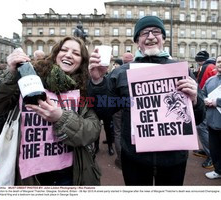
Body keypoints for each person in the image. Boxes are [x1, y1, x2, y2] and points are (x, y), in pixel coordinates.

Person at [87, 16, 205, 185]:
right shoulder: (121, 73)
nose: (150, 36)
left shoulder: (182, 70)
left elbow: (199, 118)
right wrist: (97, 82)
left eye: (156, 32)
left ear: (163, 39)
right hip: (135, 160)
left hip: (173, 159)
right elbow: (103, 111)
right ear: (137, 41)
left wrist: (195, 101)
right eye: (144, 33)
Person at [0, 36, 101, 185]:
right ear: (55, 54)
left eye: (76, 53)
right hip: (28, 177)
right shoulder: (27, 78)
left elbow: (92, 130)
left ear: (81, 62)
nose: (68, 55)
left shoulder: (83, 89)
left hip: (69, 175)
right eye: (64, 50)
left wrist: (61, 118)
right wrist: (9, 74)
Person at [193, 51, 217, 169]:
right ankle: (208, 151)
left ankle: (212, 155)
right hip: (212, 102)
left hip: (209, 102)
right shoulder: (212, 66)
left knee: (202, 127)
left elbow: (200, 85)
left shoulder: (206, 67)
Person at [202, 55, 221, 179]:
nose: (220, 64)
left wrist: (217, 102)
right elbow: (202, 94)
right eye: (219, 62)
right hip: (212, 122)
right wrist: (204, 100)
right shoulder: (210, 80)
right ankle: (218, 170)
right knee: (215, 150)